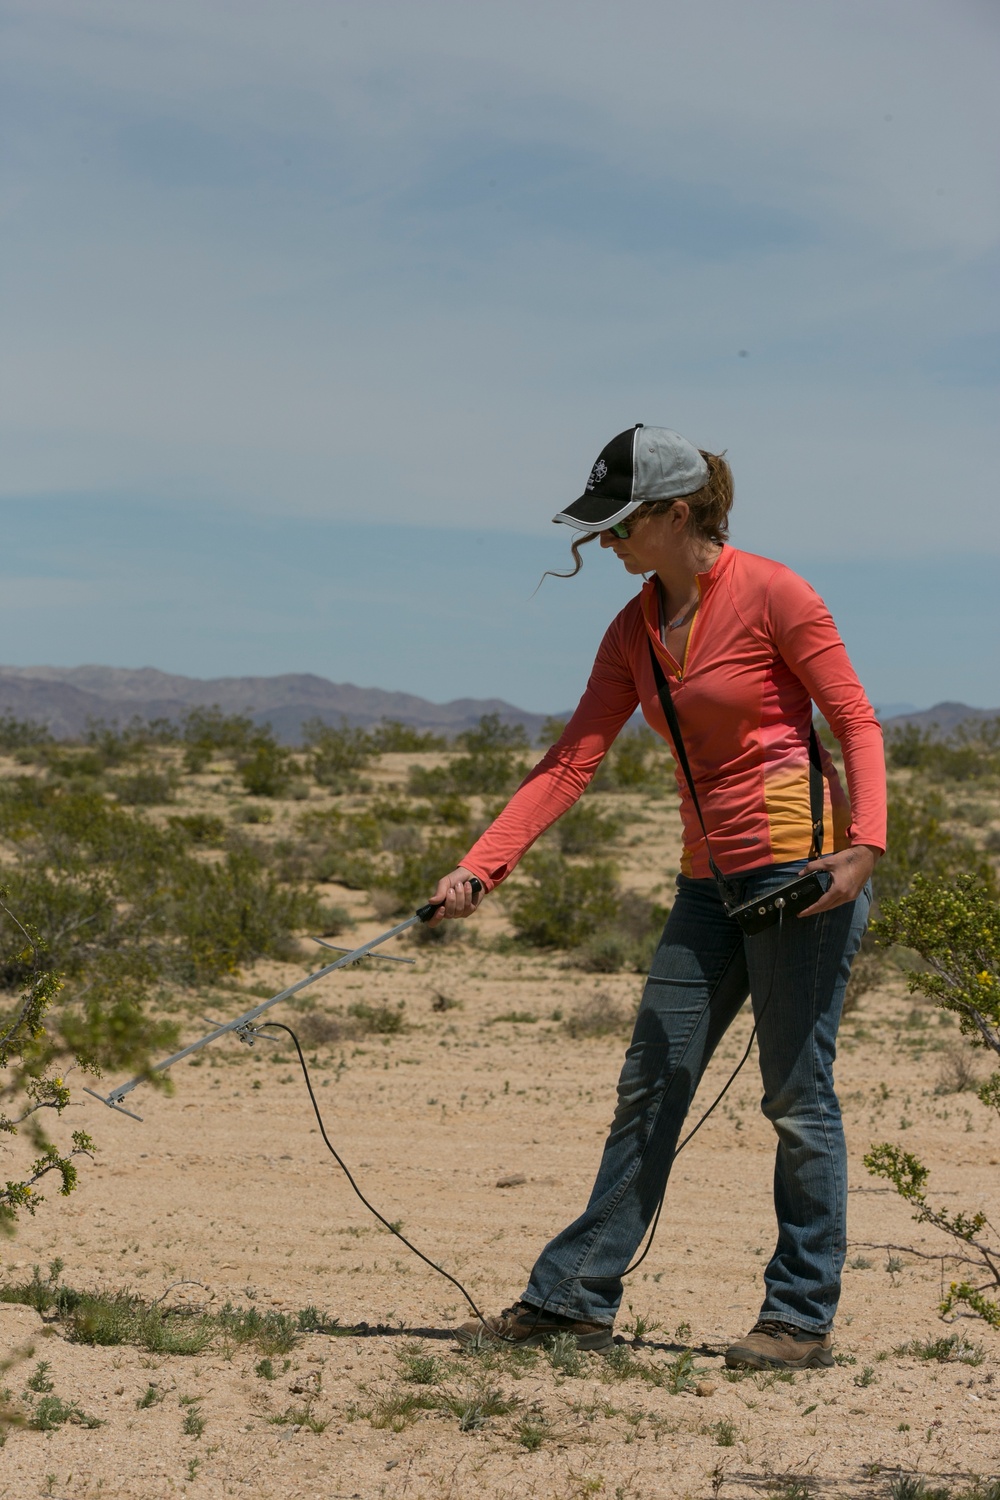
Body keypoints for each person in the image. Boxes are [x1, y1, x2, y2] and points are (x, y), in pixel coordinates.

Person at [428, 424, 885, 1370]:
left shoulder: (775, 593)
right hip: (706, 884)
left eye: (622, 524)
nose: (606, 543)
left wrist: (862, 849)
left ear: (677, 514)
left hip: (801, 879)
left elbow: (854, 718)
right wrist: (481, 866)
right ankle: (574, 1303)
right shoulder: (632, 628)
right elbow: (570, 762)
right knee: (653, 1080)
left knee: (797, 1098)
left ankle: (798, 1316)